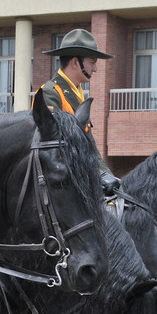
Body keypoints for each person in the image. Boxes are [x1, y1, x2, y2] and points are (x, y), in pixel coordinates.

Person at [39, 28, 120, 194]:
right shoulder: (50, 92)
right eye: (92, 62)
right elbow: (56, 147)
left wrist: (107, 175)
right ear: (75, 62)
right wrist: (99, 175)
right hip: (60, 190)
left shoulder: (78, 93)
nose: (95, 69)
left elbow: (88, 146)